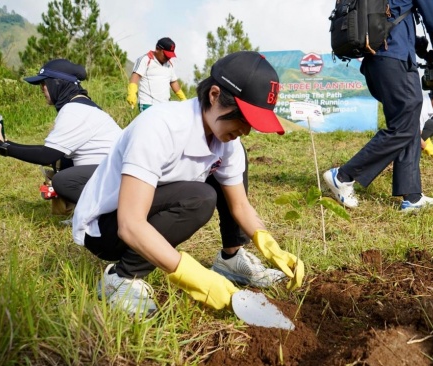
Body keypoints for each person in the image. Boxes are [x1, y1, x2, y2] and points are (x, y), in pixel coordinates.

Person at [73, 51, 304, 317]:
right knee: (200, 197)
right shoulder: (159, 126)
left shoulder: (225, 141)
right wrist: (194, 276)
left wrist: (269, 245)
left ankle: (231, 258)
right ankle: (122, 277)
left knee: (231, 166)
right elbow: (129, 224)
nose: (246, 130)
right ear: (214, 95)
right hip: (106, 229)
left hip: (142, 212)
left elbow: (239, 204)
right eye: (242, 118)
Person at [323, 0, 433, 212]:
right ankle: (343, 176)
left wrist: (419, 47)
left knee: (406, 121)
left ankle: (412, 196)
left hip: (375, 62)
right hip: (395, 60)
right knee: (404, 127)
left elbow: (387, 20)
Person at [0, 59, 121, 205]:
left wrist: (1, 147)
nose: (42, 88)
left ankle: (106, 214)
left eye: (44, 83)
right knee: (62, 161)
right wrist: (7, 144)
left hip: (114, 178)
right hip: (113, 173)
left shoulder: (74, 111)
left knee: (63, 181)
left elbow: (46, 156)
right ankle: (84, 213)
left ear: (58, 83)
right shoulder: (81, 104)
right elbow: (52, 151)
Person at [126, 37, 187, 112]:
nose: (168, 58)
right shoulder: (145, 60)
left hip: (164, 105)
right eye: (166, 55)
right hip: (147, 104)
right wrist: (132, 93)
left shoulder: (169, 64)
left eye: (170, 56)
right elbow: (135, 76)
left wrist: (183, 99)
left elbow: (173, 82)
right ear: (157, 49)